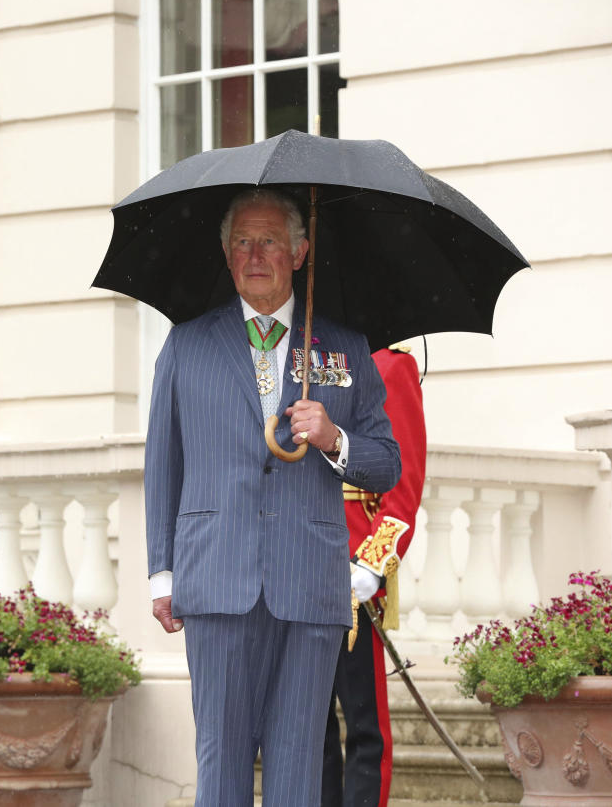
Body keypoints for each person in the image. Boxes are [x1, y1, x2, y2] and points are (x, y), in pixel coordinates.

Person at [145, 187, 401, 807]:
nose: (254, 254)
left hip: (309, 582)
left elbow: (387, 465)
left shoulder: (343, 348)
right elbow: (163, 464)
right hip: (215, 578)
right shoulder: (187, 344)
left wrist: (333, 436)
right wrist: (162, 573)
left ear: (300, 250)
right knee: (222, 764)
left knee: (297, 769)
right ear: (227, 253)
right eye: (241, 241)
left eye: (269, 241)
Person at [321, 344, 427, 807]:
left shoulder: (391, 363)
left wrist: (372, 563)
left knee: (364, 728)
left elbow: (402, 485)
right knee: (307, 728)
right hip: (298, 568)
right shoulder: (305, 362)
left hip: (353, 576)